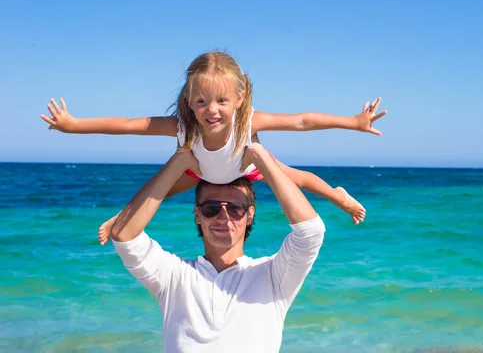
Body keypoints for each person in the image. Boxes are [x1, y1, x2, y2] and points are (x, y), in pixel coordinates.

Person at [40, 51, 386, 244]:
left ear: (238, 99)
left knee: (301, 180)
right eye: (202, 100)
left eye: (222, 100)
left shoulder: (250, 120)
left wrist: (353, 122)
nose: (212, 109)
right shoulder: (181, 126)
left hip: (244, 166)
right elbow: (128, 126)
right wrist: (73, 126)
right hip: (199, 170)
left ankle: (339, 196)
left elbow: (301, 121)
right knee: (155, 193)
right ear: (189, 101)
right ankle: (122, 216)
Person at [111, 141, 326, 352]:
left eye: (235, 209)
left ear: (250, 214)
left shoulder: (273, 276)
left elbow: (311, 233)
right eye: (212, 208)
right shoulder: (174, 276)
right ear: (197, 214)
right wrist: (179, 162)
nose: (224, 217)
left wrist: (260, 156)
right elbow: (124, 235)